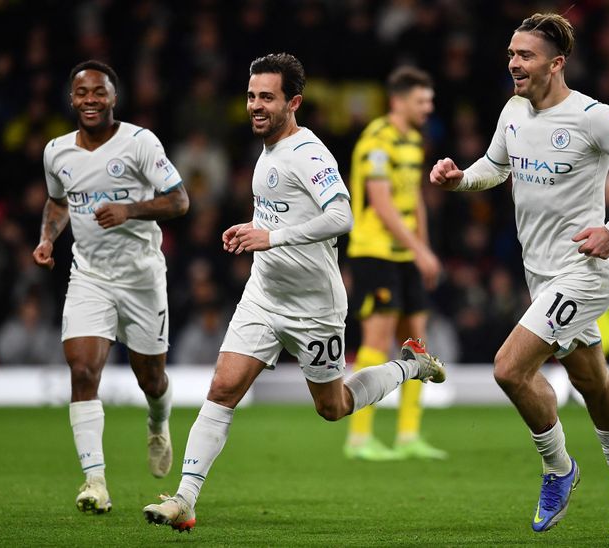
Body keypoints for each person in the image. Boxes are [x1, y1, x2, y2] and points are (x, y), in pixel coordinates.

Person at [142, 53, 446, 531]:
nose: (255, 105)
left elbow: (342, 216)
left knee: (333, 407)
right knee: (222, 388)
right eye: (250, 96)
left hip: (314, 308)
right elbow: (282, 215)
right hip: (265, 295)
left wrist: (271, 237)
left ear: (294, 102)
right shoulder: (266, 152)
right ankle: (185, 498)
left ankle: (409, 364)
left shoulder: (308, 152)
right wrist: (255, 227)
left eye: (267, 97)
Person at [430, 13, 609, 539]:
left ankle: (559, 469)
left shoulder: (594, 117)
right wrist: (459, 179)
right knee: (591, 380)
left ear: (556, 64)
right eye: (512, 53)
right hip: (539, 275)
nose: (514, 63)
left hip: (582, 272)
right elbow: (496, 168)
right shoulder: (514, 110)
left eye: (526, 55)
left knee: (509, 368)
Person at [32, 60, 189, 514]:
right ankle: (95, 482)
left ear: (113, 97)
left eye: (99, 92)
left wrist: (130, 210)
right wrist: (47, 238)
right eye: (82, 93)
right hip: (90, 277)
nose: (91, 100)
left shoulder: (140, 143)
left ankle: (158, 423)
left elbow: (180, 200)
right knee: (82, 371)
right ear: (72, 99)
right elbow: (58, 202)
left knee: (151, 378)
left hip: (141, 278)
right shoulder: (57, 152)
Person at [345, 66, 445, 461]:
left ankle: (407, 435)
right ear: (398, 101)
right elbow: (382, 204)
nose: (428, 107)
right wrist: (420, 251)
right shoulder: (377, 140)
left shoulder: (412, 141)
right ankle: (359, 437)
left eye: (430, 100)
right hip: (374, 251)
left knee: (416, 341)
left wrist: (424, 248)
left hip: (404, 254)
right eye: (422, 101)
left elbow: (414, 198)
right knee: (376, 340)